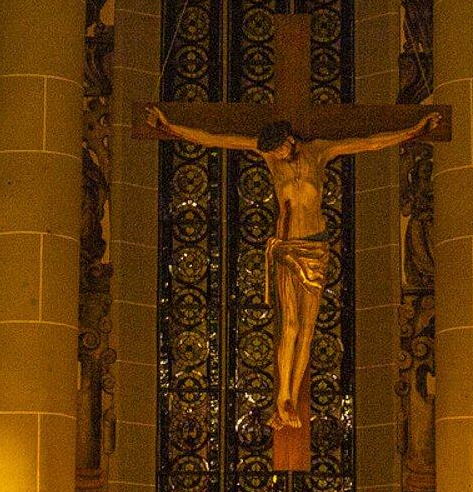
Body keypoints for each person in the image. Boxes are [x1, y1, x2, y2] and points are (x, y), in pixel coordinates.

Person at [144, 105, 443, 429]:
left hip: (316, 248)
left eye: (282, 148)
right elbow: (218, 139)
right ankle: (283, 399)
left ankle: (293, 394)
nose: (280, 155)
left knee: (308, 329)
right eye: (273, 152)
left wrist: (414, 130)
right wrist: (171, 127)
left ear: (290, 137)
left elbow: (368, 142)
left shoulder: (319, 152)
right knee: (289, 326)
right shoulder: (271, 158)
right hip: (287, 247)